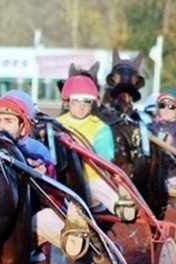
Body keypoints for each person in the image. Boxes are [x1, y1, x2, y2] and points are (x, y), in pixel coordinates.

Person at [0, 91, 65, 257]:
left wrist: (43, 172)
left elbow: (52, 193)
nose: (0, 126)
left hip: (27, 220)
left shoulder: (37, 151)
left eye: (8, 121)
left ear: (22, 127)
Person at [55, 74, 132, 220]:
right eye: (77, 101)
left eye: (87, 101)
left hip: (91, 178)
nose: (82, 106)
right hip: (60, 180)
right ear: (68, 102)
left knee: (99, 186)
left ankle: (122, 206)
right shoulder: (56, 124)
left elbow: (104, 154)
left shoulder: (100, 127)